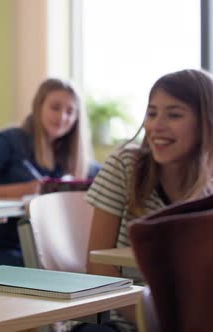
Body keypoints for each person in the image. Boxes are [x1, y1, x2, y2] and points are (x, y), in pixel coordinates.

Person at [80, 69, 213, 331]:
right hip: (118, 318)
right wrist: (156, 322)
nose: (156, 126)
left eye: (174, 115)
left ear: (206, 124)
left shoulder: (209, 188)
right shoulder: (125, 166)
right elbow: (97, 268)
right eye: (152, 113)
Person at [0, 78, 99, 269]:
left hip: (52, 249)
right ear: (38, 106)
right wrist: (26, 189)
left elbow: (103, 182)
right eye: (55, 107)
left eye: (70, 111)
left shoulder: (73, 157)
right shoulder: (9, 141)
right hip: (3, 248)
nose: (62, 117)